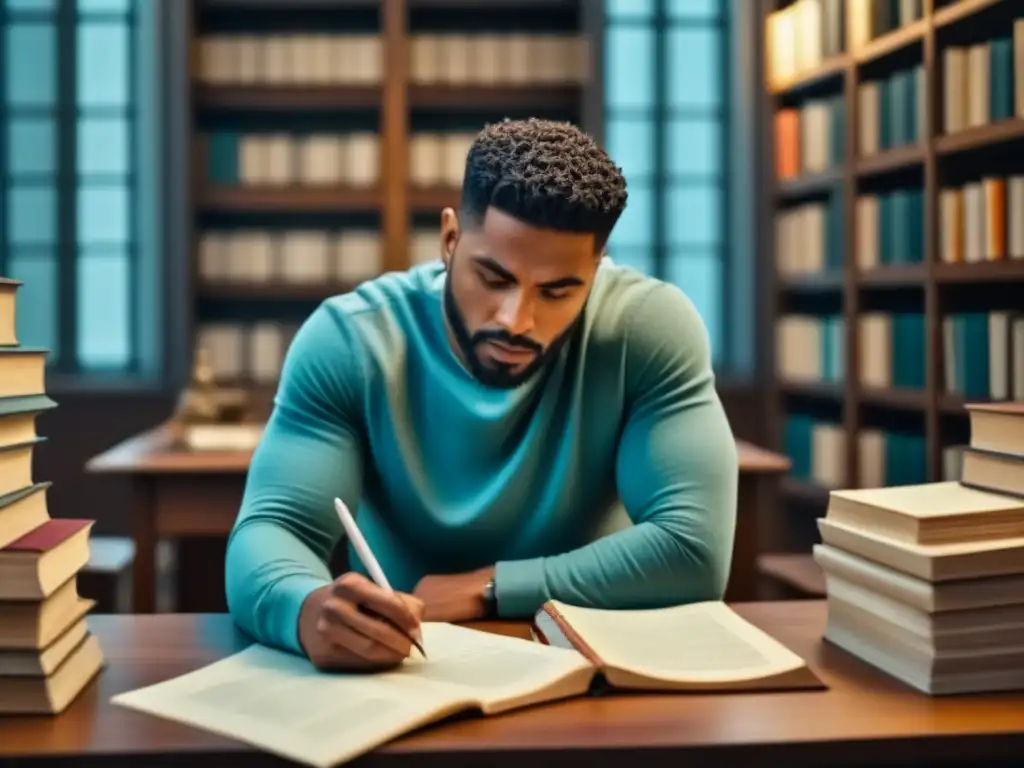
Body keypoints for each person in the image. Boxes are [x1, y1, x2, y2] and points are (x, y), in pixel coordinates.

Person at [225, 118, 739, 672]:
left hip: (584, 660)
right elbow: (273, 529)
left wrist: (489, 588)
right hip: (401, 666)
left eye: (559, 290)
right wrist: (304, 609)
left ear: (595, 270)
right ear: (449, 240)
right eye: (493, 278)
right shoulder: (352, 342)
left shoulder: (647, 327)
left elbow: (694, 551)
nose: (517, 320)